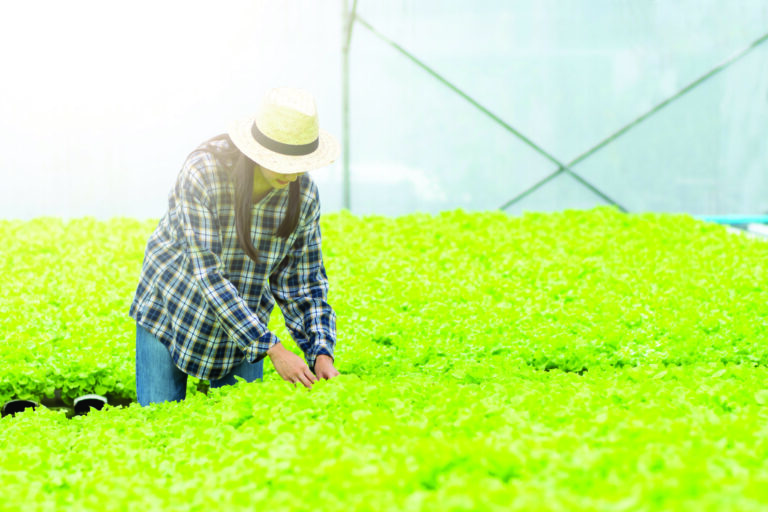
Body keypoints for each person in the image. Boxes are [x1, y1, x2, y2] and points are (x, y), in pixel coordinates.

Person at [129, 87, 340, 407]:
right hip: (173, 310)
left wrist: (321, 351)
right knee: (159, 426)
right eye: (283, 160)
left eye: (300, 161)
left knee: (237, 437)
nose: (293, 172)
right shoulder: (204, 172)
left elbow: (304, 283)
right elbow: (207, 274)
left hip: (245, 327)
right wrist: (274, 349)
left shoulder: (304, 194)